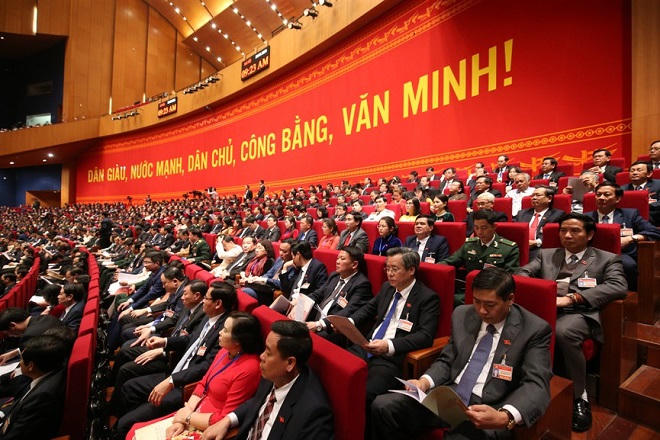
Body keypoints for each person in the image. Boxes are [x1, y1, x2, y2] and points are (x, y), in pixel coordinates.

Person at [371, 267, 552, 440]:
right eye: (477, 301)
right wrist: (423, 382)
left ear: (510, 299)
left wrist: (505, 416)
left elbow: (536, 384)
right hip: (449, 396)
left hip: (490, 406)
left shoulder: (534, 330)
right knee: (383, 406)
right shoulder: (462, 314)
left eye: (490, 304)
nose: (481, 310)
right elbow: (447, 360)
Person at [516, 213, 627, 432]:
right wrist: (540, 291)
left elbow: (618, 286)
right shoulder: (546, 254)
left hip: (579, 312)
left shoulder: (606, 258)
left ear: (589, 234)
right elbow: (522, 272)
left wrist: (573, 298)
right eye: (563, 230)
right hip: (544, 308)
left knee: (563, 332)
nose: (567, 235)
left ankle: (579, 395)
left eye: (575, 231)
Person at [113, 281, 237, 438]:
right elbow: (190, 339)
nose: (203, 302)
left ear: (218, 303)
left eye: (206, 298)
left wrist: (172, 381)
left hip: (185, 387)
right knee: (129, 387)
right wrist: (164, 342)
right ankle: (113, 421)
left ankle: (120, 429)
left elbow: (206, 367)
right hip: (175, 371)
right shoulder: (209, 317)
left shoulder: (225, 331)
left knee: (125, 424)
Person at [127, 312, 263, 440]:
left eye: (225, 330)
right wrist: (185, 414)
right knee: (134, 432)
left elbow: (224, 419)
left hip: (209, 426)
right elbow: (203, 384)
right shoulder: (224, 351)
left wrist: (188, 417)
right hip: (194, 410)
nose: (220, 332)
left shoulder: (250, 369)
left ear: (238, 340)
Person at [201, 320, 333, 440]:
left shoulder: (313, 413)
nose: (261, 356)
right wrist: (228, 420)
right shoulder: (274, 374)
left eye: (268, 353)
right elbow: (258, 401)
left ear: (290, 363)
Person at [347, 247, 439, 408]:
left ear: (411, 270)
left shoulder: (427, 298)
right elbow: (368, 309)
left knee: (361, 394)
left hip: (390, 359)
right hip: (366, 346)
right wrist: (349, 322)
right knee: (337, 371)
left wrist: (388, 345)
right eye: (387, 268)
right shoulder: (387, 288)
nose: (389, 273)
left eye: (394, 269)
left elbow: (425, 336)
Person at [583, 183, 659, 290]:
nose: (601, 198)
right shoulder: (585, 217)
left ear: (617, 199)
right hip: (592, 254)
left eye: (606, 194)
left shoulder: (630, 214)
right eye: (598, 195)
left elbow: (654, 231)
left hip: (621, 254)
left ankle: (632, 294)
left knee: (629, 265)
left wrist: (631, 238)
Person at [440, 210, 519, 305]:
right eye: (476, 228)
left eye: (484, 228)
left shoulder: (508, 248)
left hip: (493, 292)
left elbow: (510, 279)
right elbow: (449, 262)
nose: (479, 232)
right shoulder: (469, 245)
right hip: (470, 289)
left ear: (494, 227)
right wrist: (435, 269)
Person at [0, 335, 69, 440]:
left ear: (31, 366)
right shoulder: (50, 370)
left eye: (21, 360)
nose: (20, 363)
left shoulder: (42, 397)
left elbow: (15, 436)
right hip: (10, 414)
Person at [306, 247, 372, 345]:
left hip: (333, 329)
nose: (337, 261)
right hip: (316, 319)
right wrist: (301, 301)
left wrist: (319, 324)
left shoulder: (362, 284)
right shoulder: (335, 276)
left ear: (354, 264)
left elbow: (348, 311)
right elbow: (318, 294)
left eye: (342, 259)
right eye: (337, 258)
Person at [513, 186, 565, 261]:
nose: (533, 198)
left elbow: (554, 236)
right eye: (532, 195)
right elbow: (515, 231)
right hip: (520, 247)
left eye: (538, 195)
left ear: (549, 198)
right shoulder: (522, 213)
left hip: (541, 248)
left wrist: (536, 242)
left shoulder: (557, 214)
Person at [242, 240, 294, 305]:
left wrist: (265, 280)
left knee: (246, 291)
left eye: (285, 251)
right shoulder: (279, 259)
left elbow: (283, 285)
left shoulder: (294, 266)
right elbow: (269, 273)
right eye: (280, 250)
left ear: (292, 252)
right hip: (266, 287)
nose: (281, 253)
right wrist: (258, 279)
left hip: (273, 293)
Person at [622, 161, 660, 226]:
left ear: (649, 174)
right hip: (630, 220)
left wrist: (645, 205)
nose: (634, 173)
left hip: (654, 220)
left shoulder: (658, 185)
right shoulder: (622, 189)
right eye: (632, 171)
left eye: (639, 170)